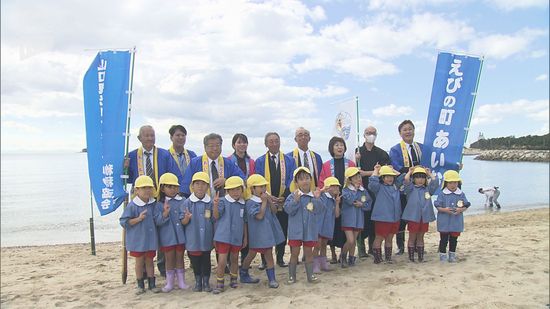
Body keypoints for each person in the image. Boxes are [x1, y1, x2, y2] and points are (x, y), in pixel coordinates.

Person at [126, 125, 179, 276]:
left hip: (159, 199)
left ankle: (162, 267)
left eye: (152, 135)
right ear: (139, 138)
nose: (150, 138)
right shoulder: (131, 155)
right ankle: (143, 271)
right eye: (146, 135)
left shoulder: (164, 154)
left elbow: (172, 175)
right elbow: (127, 179)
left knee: (162, 231)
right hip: (140, 199)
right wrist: (124, 169)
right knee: (142, 231)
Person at [255, 132, 295, 268]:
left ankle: (280, 258)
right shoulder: (260, 161)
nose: (274, 144)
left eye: (276, 141)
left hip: (283, 201)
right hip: (266, 200)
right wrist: (267, 196)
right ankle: (264, 260)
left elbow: (291, 179)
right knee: (265, 231)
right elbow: (258, 180)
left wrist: (284, 195)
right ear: (266, 144)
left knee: (282, 230)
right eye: (271, 141)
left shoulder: (289, 160)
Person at [119, 175, 162, 295]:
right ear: (136, 190)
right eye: (143, 188)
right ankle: (140, 285)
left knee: (149, 261)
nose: (147, 190)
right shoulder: (132, 205)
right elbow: (124, 222)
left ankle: (152, 284)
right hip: (137, 240)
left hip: (150, 239)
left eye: (149, 187)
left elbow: (158, 220)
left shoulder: (153, 204)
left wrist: (164, 214)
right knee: (139, 261)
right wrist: (138, 219)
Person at [389, 120, 426, 255]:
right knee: (402, 217)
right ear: (400, 133)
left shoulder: (421, 147)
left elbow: (434, 162)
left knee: (419, 217)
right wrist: (411, 171)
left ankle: (416, 245)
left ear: (414, 131)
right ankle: (400, 247)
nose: (408, 131)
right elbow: (396, 167)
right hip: (404, 189)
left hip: (420, 189)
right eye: (405, 129)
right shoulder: (395, 149)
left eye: (410, 129)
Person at [240, 174, 284, 288]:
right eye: (260, 187)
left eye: (264, 186)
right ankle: (243, 273)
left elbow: (274, 211)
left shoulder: (265, 199)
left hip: (267, 234)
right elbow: (259, 216)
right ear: (252, 189)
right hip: (257, 235)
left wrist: (269, 201)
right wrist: (264, 202)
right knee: (251, 254)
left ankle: (272, 279)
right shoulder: (250, 202)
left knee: (269, 254)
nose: (263, 189)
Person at [318, 136, 356, 264]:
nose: (339, 147)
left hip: (347, 200)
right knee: (331, 226)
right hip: (331, 200)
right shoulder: (326, 165)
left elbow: (356, 179)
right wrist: (331, 193)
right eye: (336, 145)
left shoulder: (351, 164)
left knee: (344, 226)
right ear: (331, 148)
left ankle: (342, 254)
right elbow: (322, 182)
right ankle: (333, 253)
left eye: (341, 145)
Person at [284, 167, 324, 284]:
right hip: (295, 231)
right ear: (296, 182)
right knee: (294, 254)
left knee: (308, 254)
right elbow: (288, 210)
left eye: (307, 178)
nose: (305, 181)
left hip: (309, 230)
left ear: (311, 180)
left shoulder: (314, 196)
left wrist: (317, 199)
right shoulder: (292, 196)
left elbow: (320, 209)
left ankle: (310, 276)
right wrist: (296, 201)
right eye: (301, 179)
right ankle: (292, 276)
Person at [355, 126, 390, 258]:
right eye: (368, 133)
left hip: (377, 191)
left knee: (374, 218)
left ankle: (372, 247)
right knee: (362, 219)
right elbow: (353, 170)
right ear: (364, 135)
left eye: (373, 133)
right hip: (361, 189)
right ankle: (361, 248)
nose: (371, 135)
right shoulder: (358, 151)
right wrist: (356, 158)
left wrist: (367, 173)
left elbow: (385, 171)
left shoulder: (381, 153)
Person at [212, 177, 247, 294]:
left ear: (242, 190)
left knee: (235, 259)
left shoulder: (243, 203)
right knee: (222, 261)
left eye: (238, 189)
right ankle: (219, 282)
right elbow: (216, 216)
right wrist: (215, 205)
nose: (235, 192)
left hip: (237, 236)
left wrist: (245, 237)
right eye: (232, 190)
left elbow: (244, 222)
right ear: (227, 191)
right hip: (223, 236)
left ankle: (233, 279)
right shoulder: (222, 201)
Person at [181, 133, 245, 198]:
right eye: (211, 146)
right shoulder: (195, 163)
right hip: (200, 203)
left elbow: (242, 179)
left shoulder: (229, 163)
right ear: (205, 147)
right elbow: (186, 185)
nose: (215, 148)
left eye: (218, 145)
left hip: (224, 204)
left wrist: (227, 180)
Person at [181, 172, 214, 292]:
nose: (200, 187)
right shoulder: (187, 203)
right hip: (193, 238)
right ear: (192, 186)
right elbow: (183, 222)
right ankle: (198, 282)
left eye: (203, 184)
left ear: (207, 187)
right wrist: (187, 218)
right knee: (195, 261)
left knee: (206, 260)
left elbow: (214, 220)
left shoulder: (210, 203)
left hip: (206, 237)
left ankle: (206, 282)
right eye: (197, 184)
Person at [156, 173, 189, 292]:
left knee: (180, 258)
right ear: (162, 188)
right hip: (167, 237)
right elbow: (158, 221)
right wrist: (164, 213)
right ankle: (169, 283)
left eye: (175, 186)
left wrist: (187, 217)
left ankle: (181, 282)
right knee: (169, 259)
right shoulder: (159, 204)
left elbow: (184, 218)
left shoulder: (183, 200)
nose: (173, 189)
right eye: (169, 187)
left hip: (180, 235)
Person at [227, 133, 255, 266]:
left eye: (244, 142)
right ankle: (229, 263)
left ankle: (244, 263)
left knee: (247, 231)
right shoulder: (227, 161)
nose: (242, 145)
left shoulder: (252, 161)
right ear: (233, 145)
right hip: (232, 199)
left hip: (248, 199)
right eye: (239, 142)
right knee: (232, 230)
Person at [402, 166, 438, 262]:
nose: (420, 180)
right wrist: (410, 172)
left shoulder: (427, 190)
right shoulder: (410, 189)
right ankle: (411, 257)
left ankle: (420, 257)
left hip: (424, 217)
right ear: (413, 179)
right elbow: (406, 180)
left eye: (422, 177)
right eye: (417, 177)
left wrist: (429, 173)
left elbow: (435, 182)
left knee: (421, 237)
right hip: (413, 217)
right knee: (412, 236)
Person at [368, 165, 403, 264]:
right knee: (379, 237)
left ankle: (388, 257)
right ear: (382, 178)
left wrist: (392, 169)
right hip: (382, 218)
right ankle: (377, 259)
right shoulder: (379, 187)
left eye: (391, 176)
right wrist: (376, 170)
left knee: (390, 238)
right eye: (387, 176)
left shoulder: (396, 186)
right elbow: (372, 182)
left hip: (395, 217)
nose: (390, 178)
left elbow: (402, 177)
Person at [435, 170, 471, 263]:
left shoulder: (461, 194)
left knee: (454, 239)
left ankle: (452, 255)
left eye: (455, 182)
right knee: (443, 239)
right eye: (450, 182)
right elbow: (437, 206)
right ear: (446, 183)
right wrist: (445, 210)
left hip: (456, 221)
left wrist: (460, 210)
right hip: (444, 221)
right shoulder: (442, 194)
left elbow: (466, 204)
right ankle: (443, 256)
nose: (453, 185)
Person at [340, 167, 371, 268]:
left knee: (354, 241)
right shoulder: (345, 190)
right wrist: (355, 191)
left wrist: (362, 204)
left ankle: (351, 258)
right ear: (350, 179)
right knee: (350, 240)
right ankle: (343, 256)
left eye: (359, 177)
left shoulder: (363, 191)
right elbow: (350, 201)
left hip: (358, 219)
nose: (359, 179)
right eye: (355, 177)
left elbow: (368, 204)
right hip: (348, 219)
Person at [313, 176, 341, 273]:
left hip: (327, 226)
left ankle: (323, 263)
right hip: (319, 225)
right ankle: (315, 265)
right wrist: (321, 190)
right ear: (328, 187)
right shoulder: (322, 196)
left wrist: (337, 203)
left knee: (324, 245)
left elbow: (337, 215)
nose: (337, 188)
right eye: (334, 186)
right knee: (317, 245)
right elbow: (314, 201)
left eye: (337, 187)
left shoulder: (334, 200)